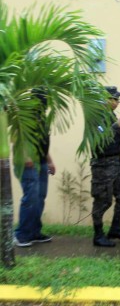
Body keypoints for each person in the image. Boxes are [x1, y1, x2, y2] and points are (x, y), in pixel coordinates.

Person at [14, 88, 56, 247]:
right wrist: (26, 156)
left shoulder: (42, 118)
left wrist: (50, 161)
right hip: (28, 163)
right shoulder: (27, 116)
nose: (47, 101)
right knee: (30, 198)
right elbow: (19, 138)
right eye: (45, 98)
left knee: (39, 198)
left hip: (41, 161)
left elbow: (42, 143)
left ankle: (34, 232)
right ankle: (21, 234)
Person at [90, 86, 120, 247]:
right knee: (102, 200)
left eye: (118, 99)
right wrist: (116, 126)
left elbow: (113, 137)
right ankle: (98, 235)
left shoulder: (110, 115)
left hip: (116, 161)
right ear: (105, 99)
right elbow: (98, 138)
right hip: (103, 164)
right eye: (115, 99)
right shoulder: (96, 116)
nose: (117, 102)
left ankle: (115, 228)